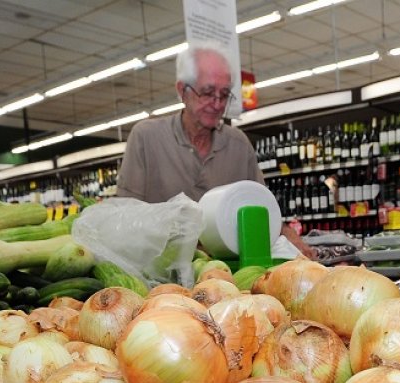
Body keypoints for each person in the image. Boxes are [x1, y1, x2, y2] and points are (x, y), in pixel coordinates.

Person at [117, 45, 314, 257]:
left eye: (225, 94)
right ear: (182, 90)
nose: (217, 104)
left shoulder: (238, 145)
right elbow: (123, 218)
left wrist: (284, 232)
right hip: (162, 278)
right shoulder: (147, 138)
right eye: (208, 93)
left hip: (228, 275)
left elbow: (261, 211)